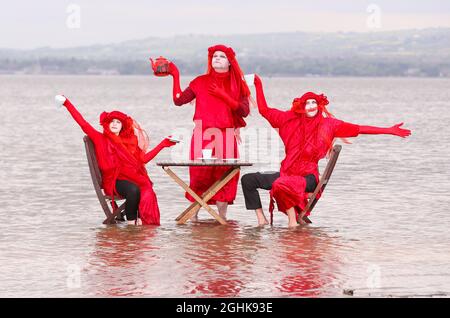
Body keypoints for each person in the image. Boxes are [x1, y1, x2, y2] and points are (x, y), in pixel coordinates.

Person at [241, 75, 411, 227]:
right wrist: (258, 84)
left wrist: (388, 130)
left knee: (280, 184)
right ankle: (261, 220)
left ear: (319, 105)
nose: (311, 105)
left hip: (307, 177)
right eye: (307, 102)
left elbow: (359, 129)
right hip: (287, 172)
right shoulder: (288, 120)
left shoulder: (329, 125)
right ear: (301, 106)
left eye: (314, 102)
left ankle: (292, 222)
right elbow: (264, 110)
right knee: (248, 180)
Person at [152, 44, 251, 221]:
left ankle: (222, 219)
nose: (217, 58)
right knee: (199, 176)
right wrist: (175, 75)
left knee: (225, 177)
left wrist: (224, 96)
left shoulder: (238, 85)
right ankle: (194, 218)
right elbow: (178, 100)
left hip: (226, 135)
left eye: (221, 56)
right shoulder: (200, 82)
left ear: (230, 62)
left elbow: (244, 111)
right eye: (214, 56)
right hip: (201, 135)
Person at [55, 95, 177, 225]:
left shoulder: (129, 143)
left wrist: (162, 144)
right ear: (107, 124)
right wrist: (67, 103)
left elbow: (143, 159)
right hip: (113, 181)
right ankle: (131, 225)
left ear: (122, 127)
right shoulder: (99, 138)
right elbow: (82, 123)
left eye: (118, 122)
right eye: (112, 121)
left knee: (145, 189)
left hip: (130, 178)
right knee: (134, 189)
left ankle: (140, 223)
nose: (114, 124)